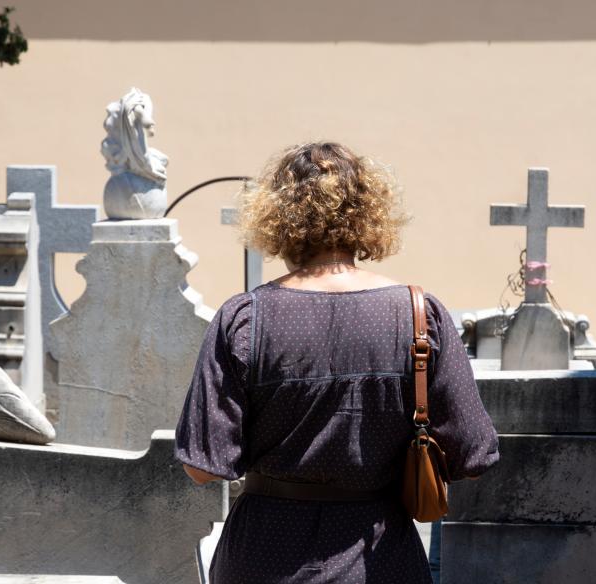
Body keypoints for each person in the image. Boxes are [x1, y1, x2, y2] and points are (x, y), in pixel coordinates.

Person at [175, 141, 499, 583]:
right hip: (380, 555)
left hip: (265, 552)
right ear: (368, 214)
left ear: (275, 216)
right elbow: (473, 456)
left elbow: (201, 466)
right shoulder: (421, 316)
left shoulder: (244, 318)